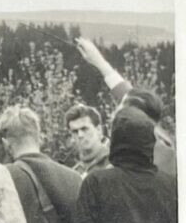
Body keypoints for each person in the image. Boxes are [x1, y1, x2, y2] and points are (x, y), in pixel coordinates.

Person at [74, 37, 176, 176]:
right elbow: (128, 95)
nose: (115, 116)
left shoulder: (158, 156)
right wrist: (98, 61)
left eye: (121, 112)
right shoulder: (153, 136)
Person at [64, 103, 111, 176]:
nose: (80, 135)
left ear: (98, 130)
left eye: (84, 129)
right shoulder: (73, 175)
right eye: (75, 131)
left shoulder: (115, 162)